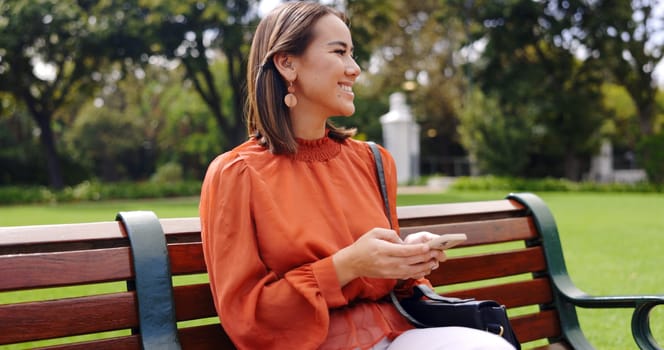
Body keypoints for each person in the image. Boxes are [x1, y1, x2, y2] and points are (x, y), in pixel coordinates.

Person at [199, 2, 515, 349]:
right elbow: (247, 316)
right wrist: (345, 265)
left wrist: (406, 259)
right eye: (339, 52)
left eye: (353, 54)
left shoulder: (372, 160)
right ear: (287, 63)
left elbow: (396, 289)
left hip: (395, 334)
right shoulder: (236, 174)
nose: (355, 69)